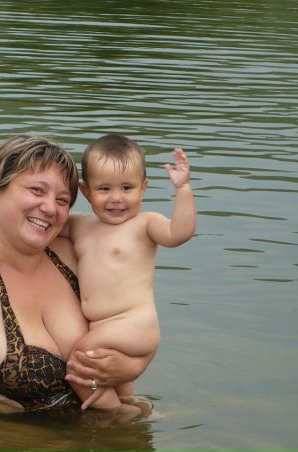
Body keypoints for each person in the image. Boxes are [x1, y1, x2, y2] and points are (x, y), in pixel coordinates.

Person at [0, 135, 154, 415]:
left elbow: (137, 317)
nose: (49, 208)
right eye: (36, 190)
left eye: (62, 200)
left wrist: (133, 366)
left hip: (110, 424)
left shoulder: (73, 255)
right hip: (9, 434)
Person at [62, 133, 196, 409]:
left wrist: (183, 190)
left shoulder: (145, 225)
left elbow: (179, 234)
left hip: (132, 324)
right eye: (104, 189)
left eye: (127, 188)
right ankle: (132, 407)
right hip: (105, 327)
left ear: (143, 188)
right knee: (120, 387)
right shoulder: (79, 226)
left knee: (79, 361)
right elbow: (47, 228)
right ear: (86, 192)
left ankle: (115, 414)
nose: (116, 198)